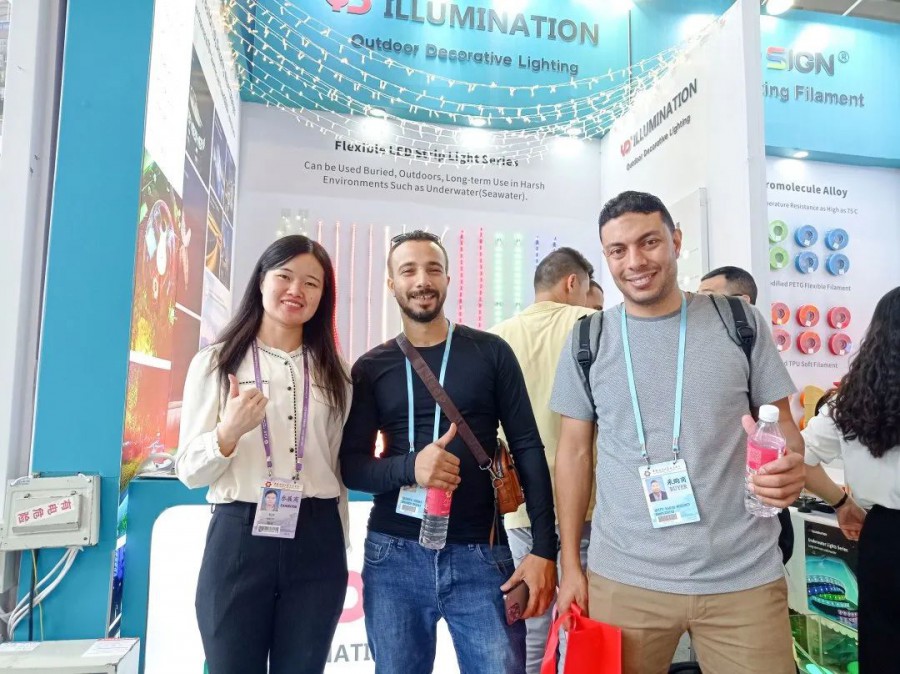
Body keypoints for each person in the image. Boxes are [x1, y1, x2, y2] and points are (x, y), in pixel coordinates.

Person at [551, 191, 806, 674]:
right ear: (606, 256)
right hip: (625, 576)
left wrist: (789, 467)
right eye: (618, 250)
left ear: (676, 241)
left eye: (649, 242)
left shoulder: (739, 323)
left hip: (742, 576)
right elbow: (574, 455)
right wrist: (570, 565)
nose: (635, 262)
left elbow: (785, 430)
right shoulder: (589, 339)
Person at [340, 230, 557, 674]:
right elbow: (353, 468)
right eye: (408, 271)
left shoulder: (490, 352)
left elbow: (528, 447)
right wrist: (410, 468)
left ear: (447, 278)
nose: (422, 280)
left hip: (482, 554)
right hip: (393, 556)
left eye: (432, 269)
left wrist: (544, 548)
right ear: (392, 283)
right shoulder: (371, 368)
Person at [175, 235, 351, 674]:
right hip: (239, 535)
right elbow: (189, 471)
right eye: (284, 276)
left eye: (311, 283)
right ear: (261, 281)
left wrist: (338, 537)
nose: (296, 290)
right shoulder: (217, 363)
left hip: (317, 537)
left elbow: (337, 465)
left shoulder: (337, 374)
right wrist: (227, 433)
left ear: (323, 296)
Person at [488, 247, 597, 673]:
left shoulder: (496, 338)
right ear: (572, 283)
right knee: (579, 617)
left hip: (519, 505)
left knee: (531, 618)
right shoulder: (589, 325)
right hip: (585, 502)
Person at [801, 286, 900, 672]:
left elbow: (798, 458)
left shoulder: (851, 401)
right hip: (883, 532)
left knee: (885, 644)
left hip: (885, 538)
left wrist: (842, 503)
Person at [698, 264, 795, 565]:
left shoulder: (750, 341)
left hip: (753, 521)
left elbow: (787, 429)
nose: (699, 305)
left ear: (743, 302)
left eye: (709, 297)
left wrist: (784, 463)